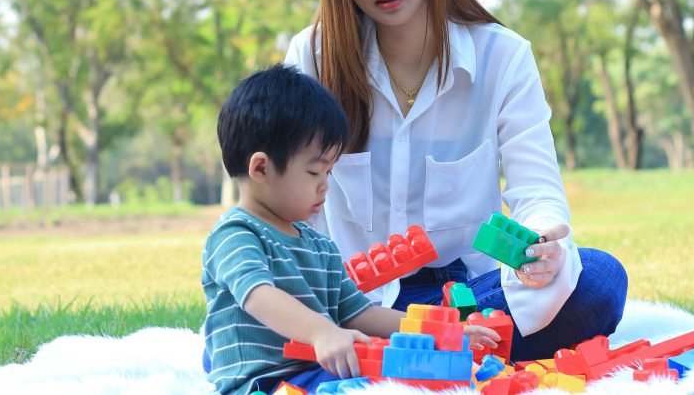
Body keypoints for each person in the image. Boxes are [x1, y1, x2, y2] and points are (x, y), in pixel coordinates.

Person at [283, 0, 627, 362]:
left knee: (601, 280)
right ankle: (421, 352)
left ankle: (412, 354)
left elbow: (537, 192)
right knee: (259, 325)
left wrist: (542, 246)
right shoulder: (313, 58)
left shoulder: (502, 57)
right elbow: (291, 209)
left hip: (473, 298)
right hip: (357, 306)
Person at [202, 64, 501, 394]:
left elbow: (359, 313)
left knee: (415, 378)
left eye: (329, 173)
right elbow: (258, 295)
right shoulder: (237, 235)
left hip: (321, 371)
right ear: (261, 168)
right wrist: (321, 332)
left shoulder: (319, 246)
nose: (324, 186)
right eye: (315, 172)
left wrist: (437, 333)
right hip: (266, 382)